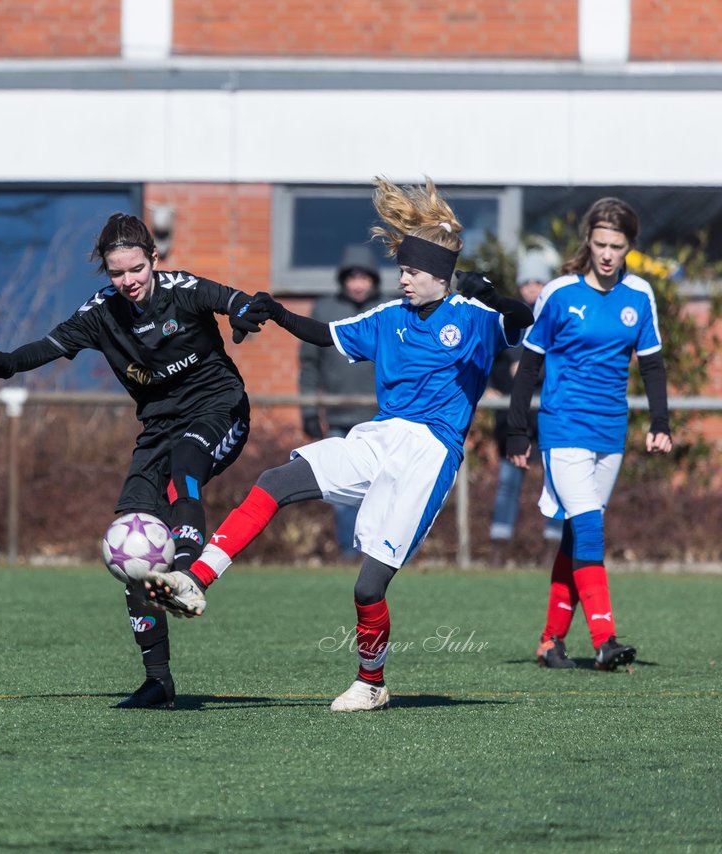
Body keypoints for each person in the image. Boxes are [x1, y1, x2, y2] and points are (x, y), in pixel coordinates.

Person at [148, 177, 533, 712]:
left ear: (440, 277)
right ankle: (197, 578)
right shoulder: (388, 318)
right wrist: (277, 312)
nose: (402, 279)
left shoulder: (474, 319)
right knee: (275, 481)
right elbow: (325, 333)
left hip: (428, 454)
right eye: (401, 269)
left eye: (413, 271)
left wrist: (491, 292)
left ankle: (371, 681)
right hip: (378, 436)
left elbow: (523, 320)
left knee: (368, 588)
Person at [0, 212, 262, 710]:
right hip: (158, 430)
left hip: (220, 409)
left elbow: (235, 301)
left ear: (153, 259)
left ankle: (189, 574)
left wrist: (244, 315)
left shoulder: (184, 289)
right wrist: (8, 362)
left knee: (187, 461)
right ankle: (158, 680)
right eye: (117, 272)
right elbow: (51, 345)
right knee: (131, 543)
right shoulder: (101, 311)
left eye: (136, 269)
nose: (127, 281)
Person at [506, 198, 671, 671]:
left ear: (629, 247)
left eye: (616, 246)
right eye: (599, 244)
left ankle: (550, 641)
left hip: (610, 431)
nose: (606, 254)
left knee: (577, 534)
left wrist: (660, 423)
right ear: (588, 242)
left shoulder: (639, 295)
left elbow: (653, 364)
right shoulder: (559, 293)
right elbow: (529, 365)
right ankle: (605, 640)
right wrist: (518, 431)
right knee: (590, 528)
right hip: (563, 427)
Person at [299, 244, 387, 561]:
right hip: (338, 416)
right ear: (343, 279)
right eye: (352, 277)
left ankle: (376, 554)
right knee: (342, 489)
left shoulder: (387, 311)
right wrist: (309, 410)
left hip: (382, 418)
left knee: (380, 490)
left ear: (374, 279)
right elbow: (309, 366)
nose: (358, 283)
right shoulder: (324, 311)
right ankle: (348, 553)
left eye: (364, 276)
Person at [487, 251, 563, 565]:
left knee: (556, 482)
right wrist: (504, 379)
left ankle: (553, 547)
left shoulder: (558, 317)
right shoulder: (507, 319)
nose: (531, 287)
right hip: (512, 416)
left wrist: (532, 370)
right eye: (526, 282)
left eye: (538, 281)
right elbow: (493, 361)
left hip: (547, 414)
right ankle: (499, 545)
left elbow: (561, 362)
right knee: (508, 483)